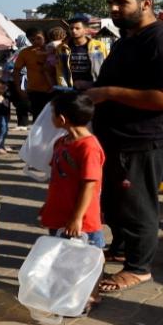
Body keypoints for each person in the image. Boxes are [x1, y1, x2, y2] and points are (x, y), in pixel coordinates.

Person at [86, 0, 163, 292]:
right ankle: (120, 247)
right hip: (118, 137)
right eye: (111, 3)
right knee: (117, 201)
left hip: (146, 139)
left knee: (138, 205)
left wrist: (110, 93)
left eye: (122, 2)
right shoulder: (126, 40)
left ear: (146, 3)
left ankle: (139, 267)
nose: (115, 8)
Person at [41, 92, 106, 247]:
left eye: (52, 113)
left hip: (82, 223)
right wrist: (49, 204)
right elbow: (58, 178)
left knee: (86, 264)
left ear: (62, 119)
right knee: (61, 261)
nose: (51, 117)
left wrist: (77, 217)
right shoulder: (61, 142)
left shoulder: (89, 147)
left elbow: (89, 185)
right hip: (60, 216)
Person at [56, 17, 109, 91]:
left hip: (94, 88)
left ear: (85, 30)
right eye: (71, 28)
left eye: (77, 28)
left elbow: (106, 67)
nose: (74, 31)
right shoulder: (62, 48)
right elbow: (60, 70)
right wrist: (64, 87)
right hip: (71, 89)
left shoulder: (99, 46)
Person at [13, 27, 54, 121]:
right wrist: (19, 88)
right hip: (35, 92)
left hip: (54, 90)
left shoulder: (54, 50)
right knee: (38, 120)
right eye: (32, 40)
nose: (35, 41)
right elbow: (16, 70)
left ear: (45, 37)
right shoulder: (25, 53)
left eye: (38, 38)